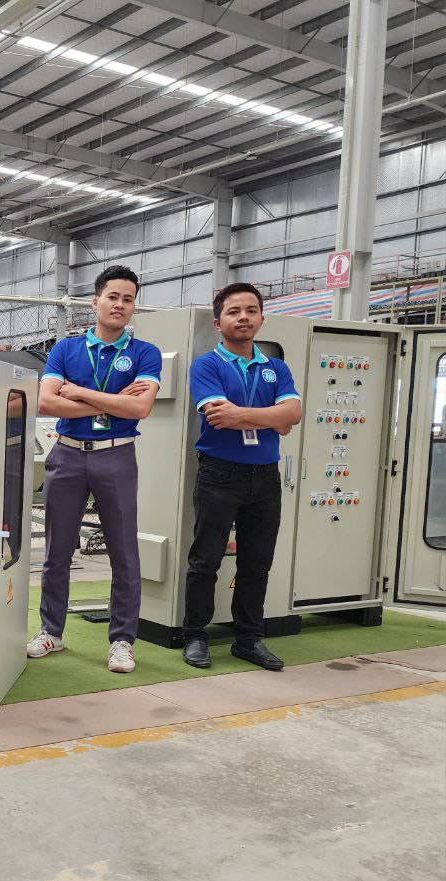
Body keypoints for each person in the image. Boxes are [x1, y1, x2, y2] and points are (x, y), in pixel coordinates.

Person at [26, 265, 162, 674]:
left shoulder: (145, 353)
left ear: (133, 306)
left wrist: (80, 393)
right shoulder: (65, 349)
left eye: (128, 299)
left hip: (116, 456)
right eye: (113, 297)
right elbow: (46, 402)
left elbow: (140, 408)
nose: (120, 305)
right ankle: (51, 631)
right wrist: (113, 401)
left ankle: (122, 641)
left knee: (124, 553)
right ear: (95, 301)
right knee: (57, 551)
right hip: (67, 455)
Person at [181, 283, 302, 671]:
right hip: (219, 474)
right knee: (205, 560)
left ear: (262, 318)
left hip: (265, 477)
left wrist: (243, 415)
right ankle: (195, 635)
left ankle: (248, 639)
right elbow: (218, 415)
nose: (244, 317)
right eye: (234, 312)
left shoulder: (275, 368)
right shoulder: (206, 366)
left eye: (251, 310)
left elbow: (293, 415)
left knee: (257, 562)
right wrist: (272, 419)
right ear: (219, 323)